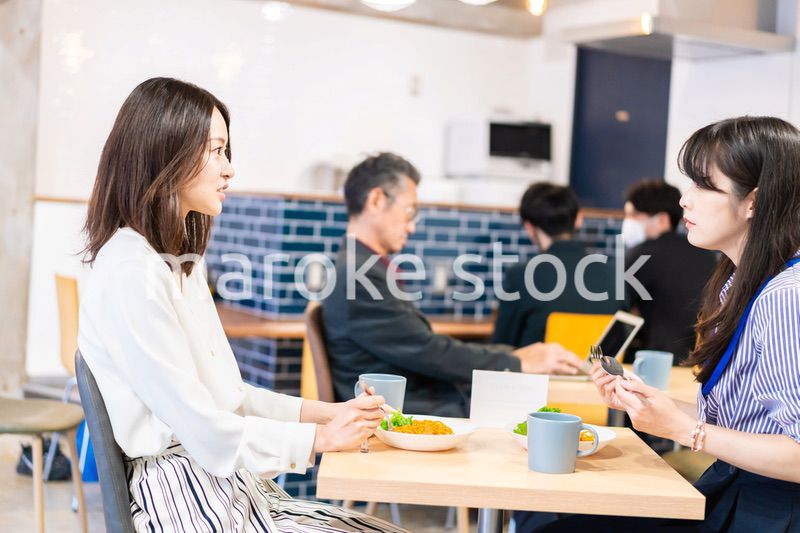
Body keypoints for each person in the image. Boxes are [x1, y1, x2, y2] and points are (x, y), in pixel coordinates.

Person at [77, 77, 408, 532]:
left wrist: (328, 413)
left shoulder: (177, 263)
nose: (229, 169)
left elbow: (228, 398)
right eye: (216, 151)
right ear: (164, 151)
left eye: (226, 151)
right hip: (184, 493)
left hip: (226, 482)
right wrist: (322, 438)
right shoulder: (131, 269)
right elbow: (203, 428)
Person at [520, 116, 800, 532]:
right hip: (739, 493)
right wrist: (651, 404)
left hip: (771, 512)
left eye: (705, 185)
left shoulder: (785, 297)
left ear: (754, 202)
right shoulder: (739, 285)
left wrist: (687, 430)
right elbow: (748, 422)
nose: (685, 200)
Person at [321, 153, 584, 418]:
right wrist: (518, 361)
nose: (411, 227)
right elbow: (428, 352)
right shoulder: (359, 275)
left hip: (422, 403)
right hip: (417, 413)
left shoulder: (361, 267)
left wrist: (514, 355)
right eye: (410, 211)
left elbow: (424, 347)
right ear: (377, 200)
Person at [492, 183, 623, 348]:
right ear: (578, 220)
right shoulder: (615, 275)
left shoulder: (520, 275)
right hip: (598, 373)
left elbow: (501, 347)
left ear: (529, 227)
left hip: (541, 373)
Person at [621, 180, 718, 363]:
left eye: (634, 215)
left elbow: (619, 304)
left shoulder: (642, 254)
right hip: (699, 361)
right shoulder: (705, 253)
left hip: (653, 361)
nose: (628, 222)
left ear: (662, 220)